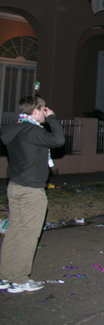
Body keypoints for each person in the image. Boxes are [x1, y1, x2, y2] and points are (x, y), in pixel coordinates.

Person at [0, 96, 64, 293]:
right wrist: (52, 119)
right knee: (28, 235)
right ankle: (19, 279)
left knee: (13, 232)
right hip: (31, 190)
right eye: (43, 108)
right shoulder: (32, 131)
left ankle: (4, 276)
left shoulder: (14, 128)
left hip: (15, 186)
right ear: (35, 111)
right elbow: (58, 140)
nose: (46, 111)